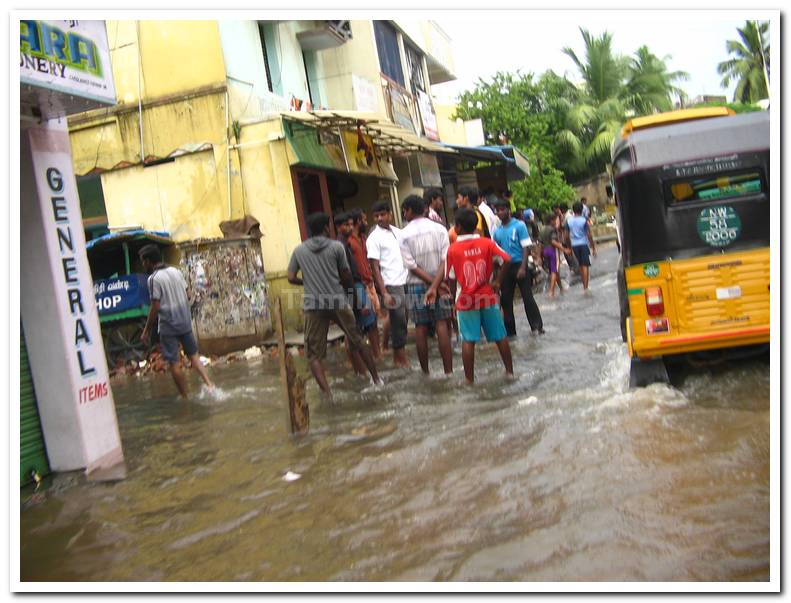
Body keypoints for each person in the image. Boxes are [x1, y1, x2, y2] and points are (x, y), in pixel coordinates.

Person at [288, 212, 382, 398]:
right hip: (338, 300)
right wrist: (355, 300)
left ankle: (328, 395)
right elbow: (347, 277)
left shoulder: (299, 251)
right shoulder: (337, 247)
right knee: (357, 340)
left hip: (313, 305)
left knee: (314, 355)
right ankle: (377, 380)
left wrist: (306, 283)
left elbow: (291, 277)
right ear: (325, 228)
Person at [446, 207, 514, 384]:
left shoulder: (453, 250)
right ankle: (510, 372)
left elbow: (451, 278)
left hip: (466, 300)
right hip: (487, 296)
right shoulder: (487, 243)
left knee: (468, 341)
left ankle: (469, 380)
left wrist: (453, 301)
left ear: (458, 227)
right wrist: (498, 282)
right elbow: (507, 259)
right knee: (500, 336)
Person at [139, 244, 214, 398]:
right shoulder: (176, 271)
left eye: (143, 261)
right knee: (194, 357)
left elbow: (155, 305)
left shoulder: (153, 279)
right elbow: (188, 294)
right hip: (185, 321)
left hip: (168, 326)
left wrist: (146, 330)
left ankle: (185, 396)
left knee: (174, 363)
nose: (142, 265)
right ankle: (210, 385)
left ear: (148, 261)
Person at [399, 195, 453, 375]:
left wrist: (431, 285)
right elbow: (446, 260)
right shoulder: (440, 229)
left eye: (404, 211)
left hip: (416, 285)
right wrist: (436, 285)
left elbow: (412, 267)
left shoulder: (403, 234)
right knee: (442, 324)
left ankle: (425, 373)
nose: (404, 214)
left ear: (409, 210)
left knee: (420, 327)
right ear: (424, 209)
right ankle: (448, 372)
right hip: (440, 282)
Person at [366, 200, 410, 368]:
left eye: (382, 214)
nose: (379, 218)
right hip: (390, 283)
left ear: (390, 214)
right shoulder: (374, 238)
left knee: (404, 317)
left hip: (404, 278)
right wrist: (383, 292)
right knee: (398, 319)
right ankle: (399, 357)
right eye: (376, 216)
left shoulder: (398, 233)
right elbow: (374, 267)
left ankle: (398, 354)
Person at [492, 200, 544, 336]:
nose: (499, 212)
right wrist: (497, 274)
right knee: (506, 300)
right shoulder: (497, 232)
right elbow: (496, 252)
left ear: (508, 210)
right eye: (497, 210)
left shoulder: (519, 226)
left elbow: (526, 247)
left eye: (502, 209)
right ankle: (510, 332)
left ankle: (537, 326)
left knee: (527, 297)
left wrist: (523, 267)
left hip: (519, 264)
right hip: (505, 268)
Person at [335, 212, 376, 374]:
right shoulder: (341, 246)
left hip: (357, 285)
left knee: (360, 327)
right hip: (352, 288)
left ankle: (360, 367)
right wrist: (357, 301)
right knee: (353, 330)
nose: (351, 228)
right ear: (339, 227)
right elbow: (346, 275)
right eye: (347, 225)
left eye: (351, 224)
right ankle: (359, 368)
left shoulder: (346, 243)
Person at [348, 208, 382, 358]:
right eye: (364, 220)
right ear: (357, 222)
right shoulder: (348, 242)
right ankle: (355, 359)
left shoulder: (363, 239)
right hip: (358, 285)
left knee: (373, 322)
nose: (366, 222)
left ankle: (377, 354)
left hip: (369, 284)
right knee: (360, 325)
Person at [565, 202, 597, 290]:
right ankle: (586, 288)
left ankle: (584, 285)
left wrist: (569, 247)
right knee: (585, 265)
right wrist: (593, 248)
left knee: (580, 266)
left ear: (573, 210)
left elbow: (566, 236)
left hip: (574, 245)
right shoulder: (584, 220)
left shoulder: (568, 221)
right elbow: (589, 235)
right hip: (583, 244)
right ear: (582, 209)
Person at [539, 213, 568, 297]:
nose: (556, 221)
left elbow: (540, 244)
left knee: (555, 269)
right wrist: (564, 249)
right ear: (551, 221)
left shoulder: (542, 229)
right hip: (552, 251)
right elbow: (553, 242)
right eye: (555, 220)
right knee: (554, 271)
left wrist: (540, 256)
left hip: (545, 251)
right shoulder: (552, 229)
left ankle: (561, 288)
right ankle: (551, 292)